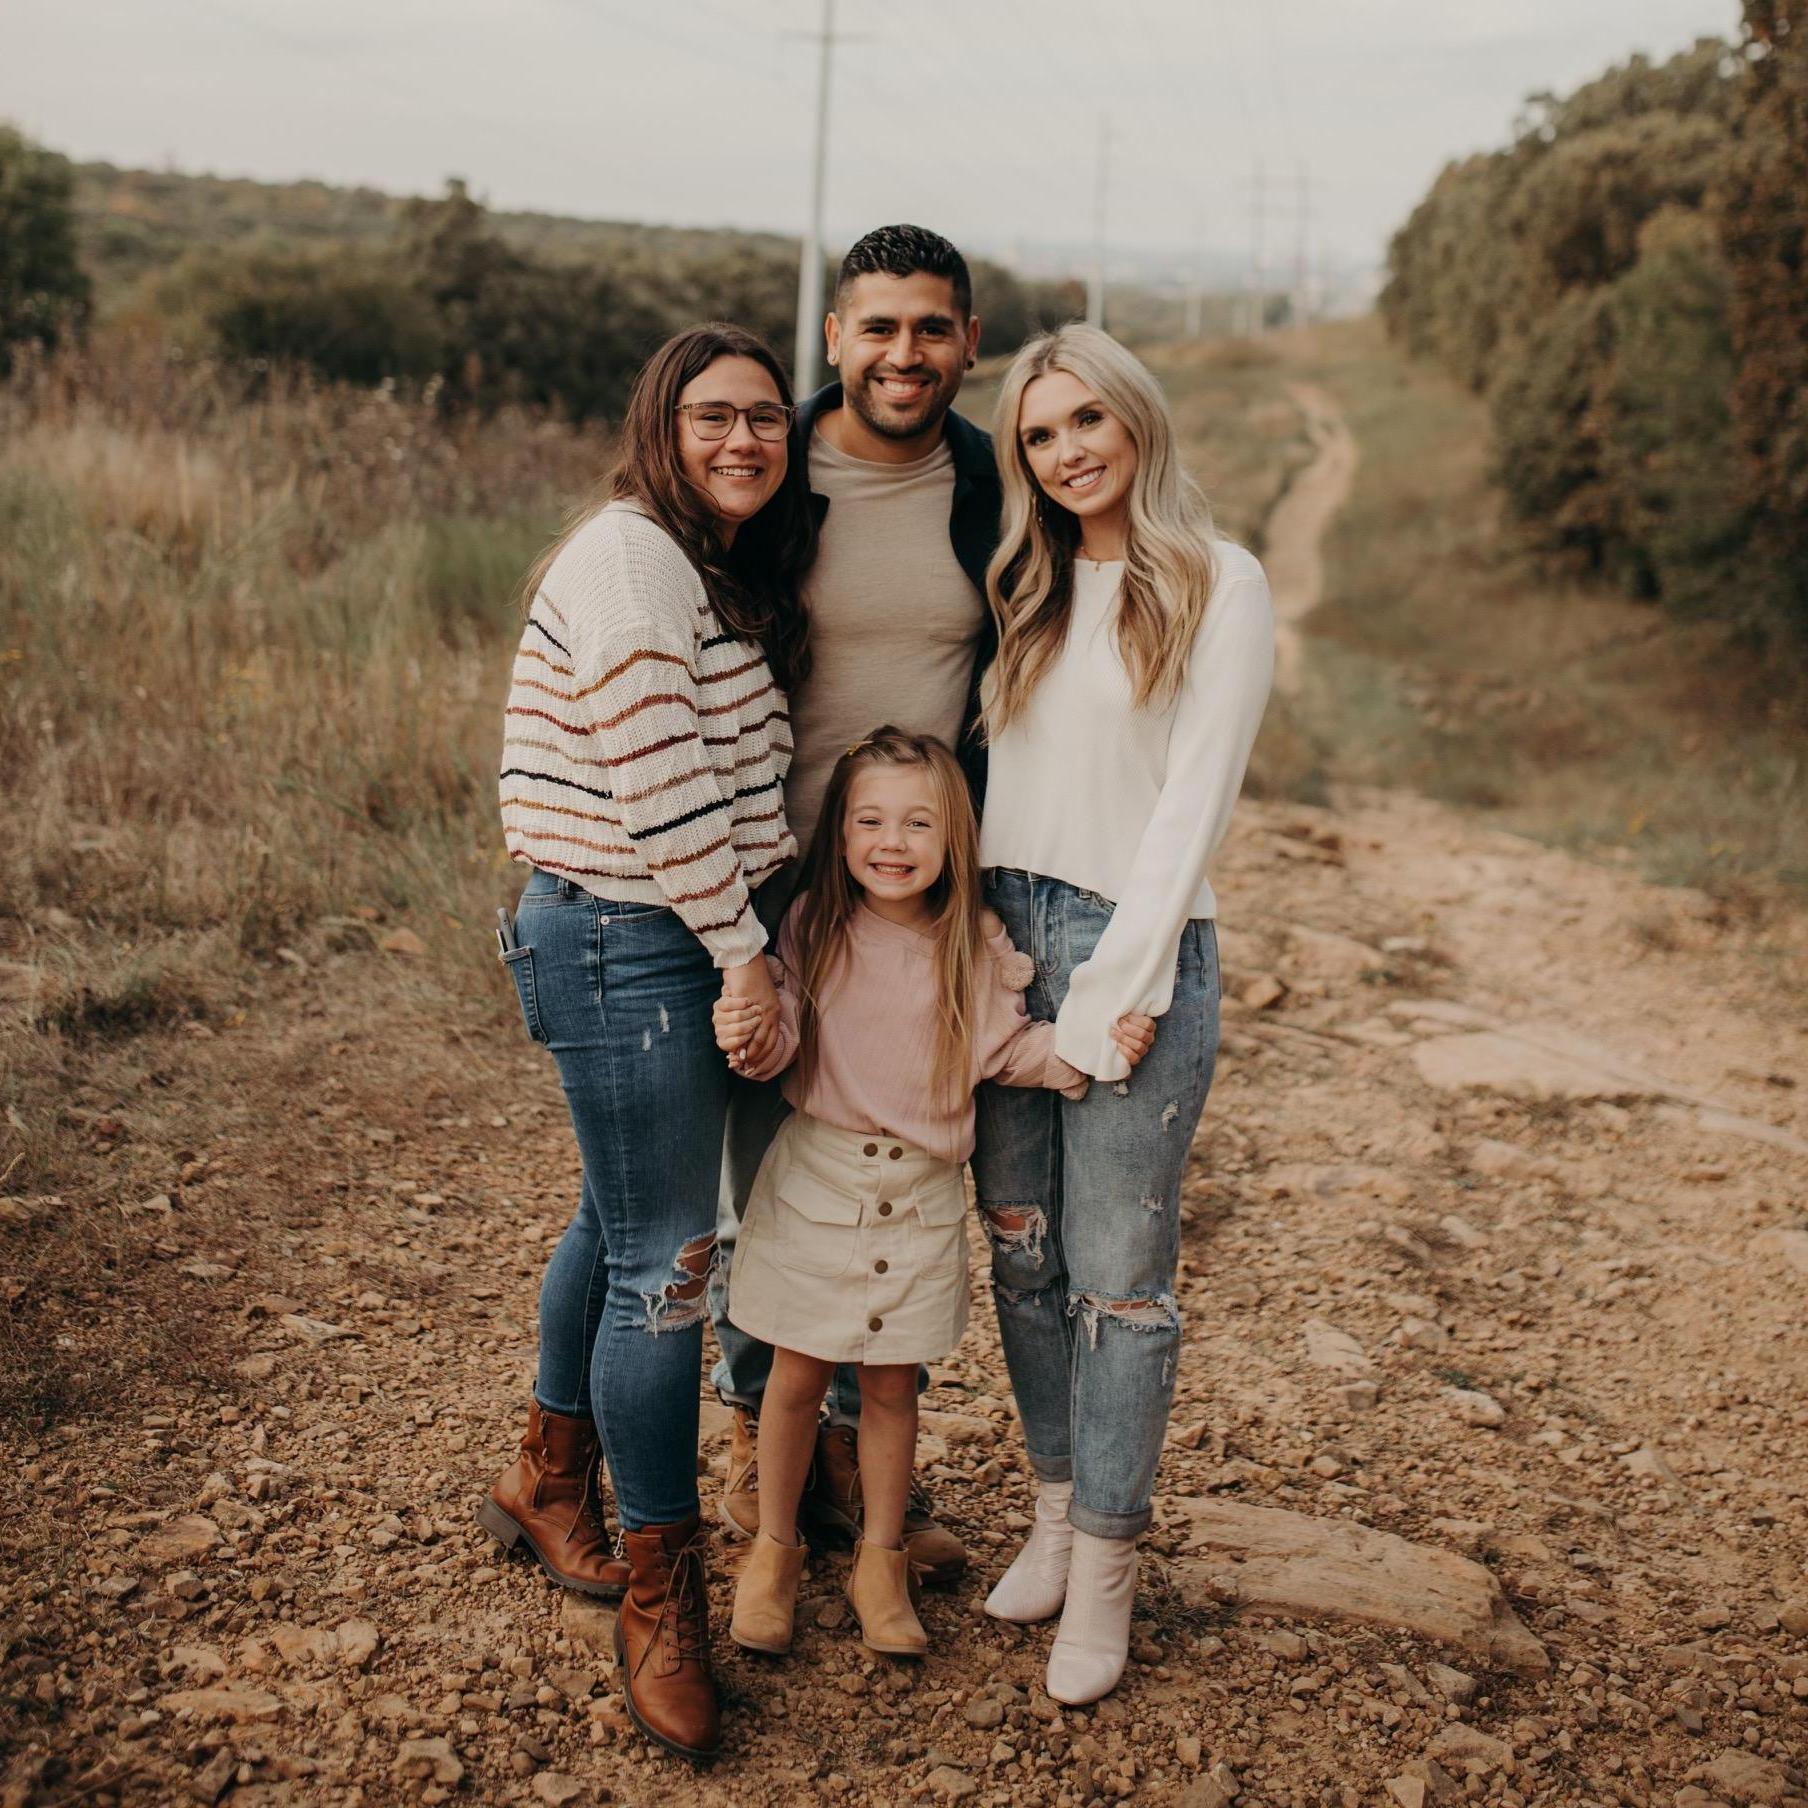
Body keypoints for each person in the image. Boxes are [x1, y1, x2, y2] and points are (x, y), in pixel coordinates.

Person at [478, 323, 813, 1764]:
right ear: (659, 428)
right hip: (633, 933)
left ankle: (548, 1474)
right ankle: (661, 1581)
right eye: (712, 416)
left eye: (766, 417)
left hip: (666, 926)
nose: (744, 439)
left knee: (619, 1221)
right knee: (668, 1265)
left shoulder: (699, 561)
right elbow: (663, 780)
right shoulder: (630, 559)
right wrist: (744, 954)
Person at [972, 324, 1275, 1705]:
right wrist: (978, 962)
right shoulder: (1022, 585)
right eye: (1039, 434)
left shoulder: (1219, 580)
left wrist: (1108, 1000)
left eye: (1086, 419)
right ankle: (1050, 1514)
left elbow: (1189, 810)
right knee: (1021, 1253)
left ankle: (1105, 1566)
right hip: (1001, 937)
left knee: (1119, 1284)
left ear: (1136, 420)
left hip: (1128, 944)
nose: (1066, 451)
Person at [709, 729, 1154, 1659]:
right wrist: (752, 1036)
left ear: (955, 836)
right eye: (870, 821)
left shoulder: (972, 943)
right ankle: (775, 1552)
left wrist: (1094, 1045)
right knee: (794, 1379)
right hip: (818, 1182)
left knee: (890, 1387)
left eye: (919, 823)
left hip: (917, 1198)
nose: (892, 842)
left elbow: (1010, 1050)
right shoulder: (815, 926)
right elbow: (782, 1034)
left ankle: (880, 1560)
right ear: (839, 832)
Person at [709, 225, 1001, 1582]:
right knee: (766, 1168)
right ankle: (755, 1435)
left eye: (931, 327)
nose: (904, 353)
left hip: (912, 879)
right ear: (835, 338)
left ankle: (850, 1461)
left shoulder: (989, 482)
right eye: (877, 327)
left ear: (968, 342)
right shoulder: (772, 472)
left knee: (888, 1157)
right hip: (768, 868)